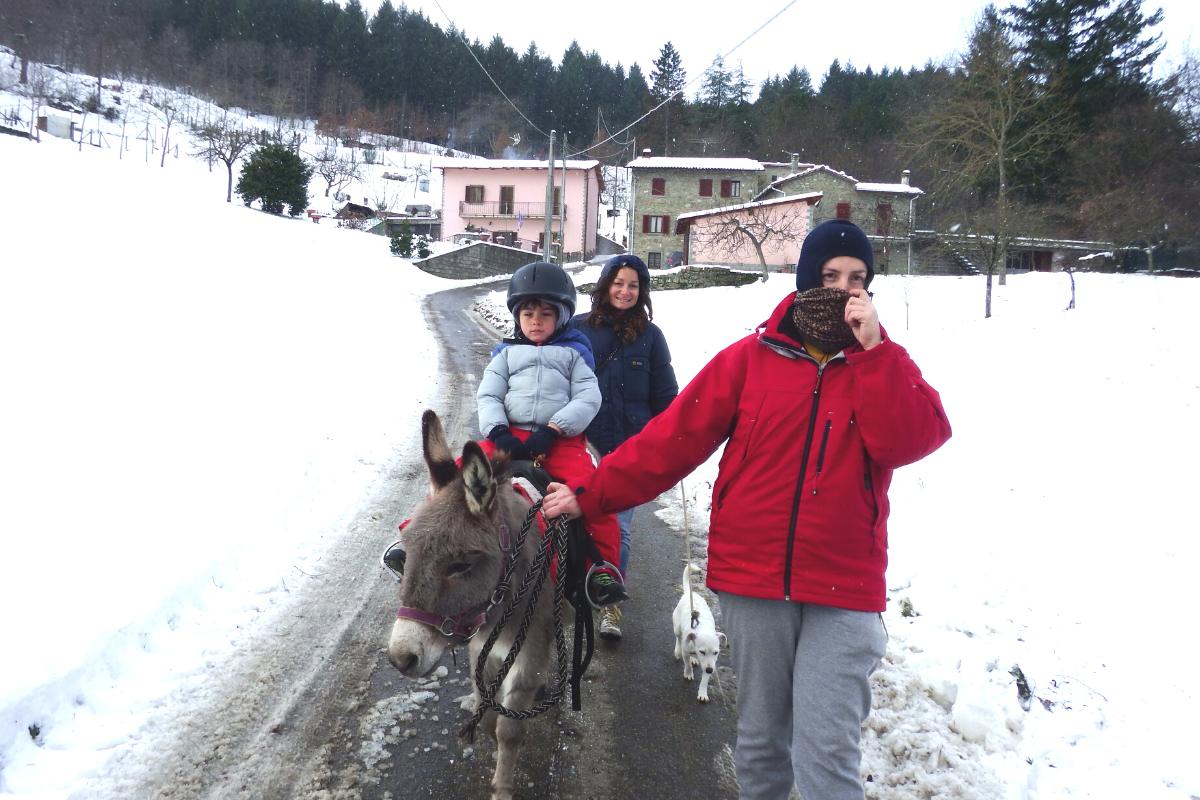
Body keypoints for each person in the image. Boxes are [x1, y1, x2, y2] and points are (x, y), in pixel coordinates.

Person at [542, 219, 952, 800]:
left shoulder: (879, 361)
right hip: (755, 579)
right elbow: (669, 443)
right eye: (830, 276)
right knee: (761, 740)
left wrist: (875, 352)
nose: (844, 291)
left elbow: (912, 439)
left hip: (844, 582)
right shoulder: (750, 359)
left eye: (859, 279)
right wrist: (590, 495)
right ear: (807, 278)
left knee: (829, 751)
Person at [477, 260, 627, 607]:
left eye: (546, 314)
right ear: (517, 317)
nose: (536, 321)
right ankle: (418, 538)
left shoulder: (575, 355)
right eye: (528, 313)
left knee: (591, 492)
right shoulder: (505, 354)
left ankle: (600, 569)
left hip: (559, 440)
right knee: (458, 472)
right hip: (508, 436)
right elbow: (488, 395)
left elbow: (589, 397)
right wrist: (498, 431)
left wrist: (554, 428)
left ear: (561, 317)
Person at [569, 254, 678, 640]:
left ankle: (609, 601)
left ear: (642, 291)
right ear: (605, 286)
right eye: (619, 283)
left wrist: (669, 442)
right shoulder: (578, 329)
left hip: (630, 450)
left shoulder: (651, 336)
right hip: (582, 445)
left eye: (633, 285)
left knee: (618, 529)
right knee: (574, 523)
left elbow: (666, 396)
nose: (625, 291)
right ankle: (570, 588)